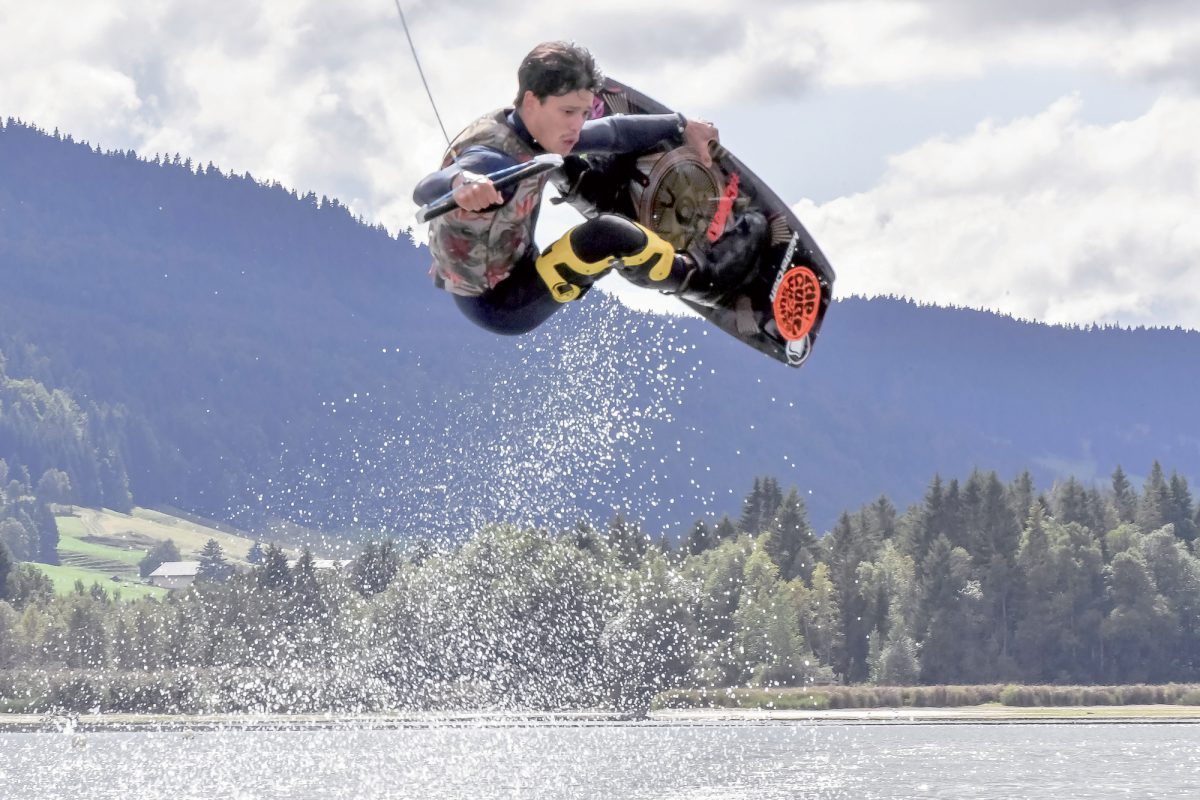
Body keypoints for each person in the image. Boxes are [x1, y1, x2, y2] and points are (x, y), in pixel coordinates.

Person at [413, 41, 768, 335]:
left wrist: (680, 125)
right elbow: (428, 188)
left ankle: (599, 191)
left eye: (583, 112)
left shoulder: (528, 123)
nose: (578, 123)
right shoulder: (491, 161)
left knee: (566, 151)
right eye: (569, 112)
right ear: (533, 101)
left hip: (513, 249)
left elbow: (612, 131)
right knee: (605, 236)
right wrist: (463, 184)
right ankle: (700, 280)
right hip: (503, 301)